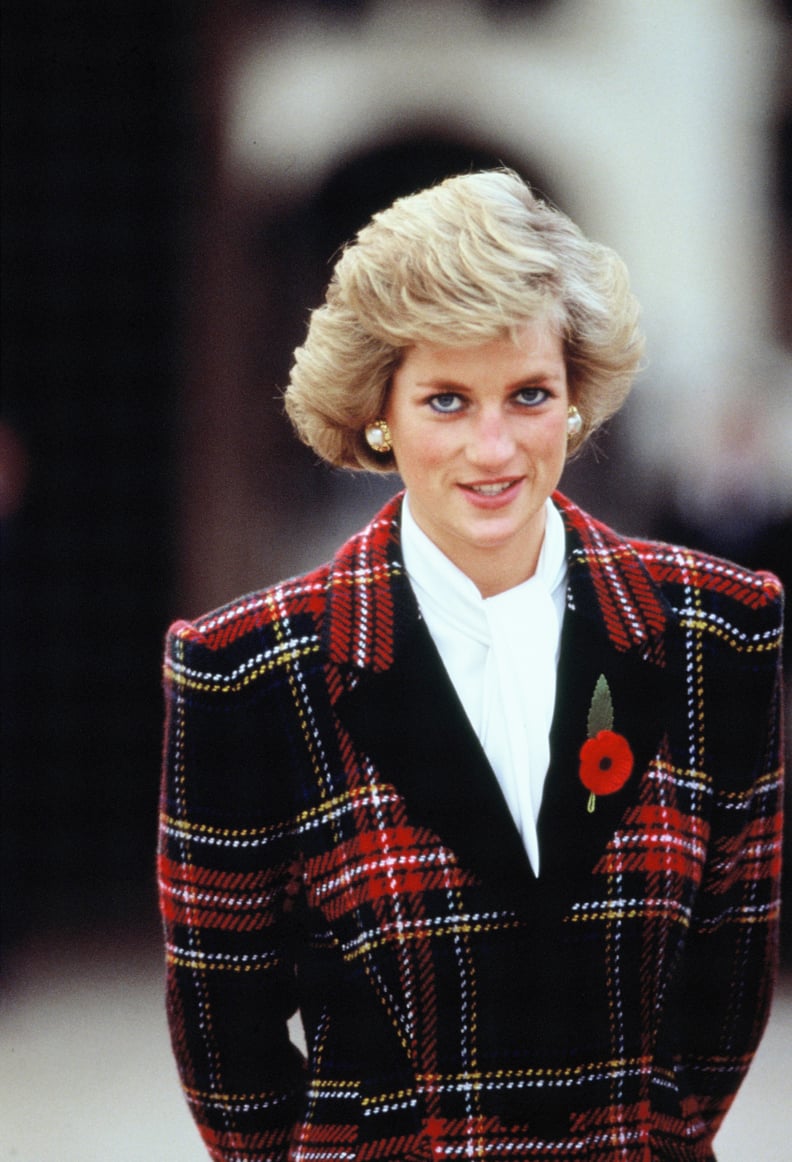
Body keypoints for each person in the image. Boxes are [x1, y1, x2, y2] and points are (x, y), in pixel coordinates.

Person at [158, 170, 785, 1161]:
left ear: (575, 398)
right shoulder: (247, 672)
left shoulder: (720, 630)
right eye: (446, 400)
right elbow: (228, 1052)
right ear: (380, 413)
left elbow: (726, 989)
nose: (494, 448)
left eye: (528, 394)